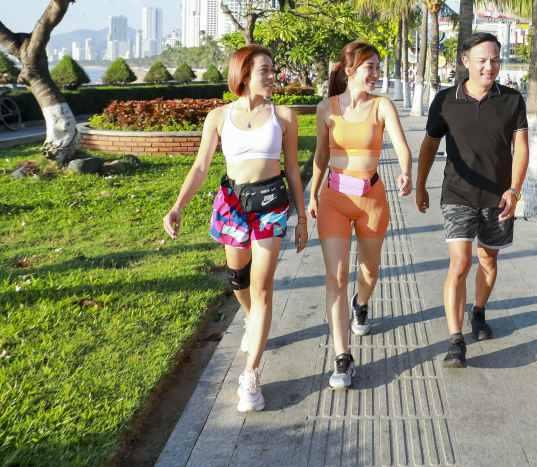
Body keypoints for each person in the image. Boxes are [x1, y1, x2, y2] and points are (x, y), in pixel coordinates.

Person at [163, 45, 307, 413]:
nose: (274, 76)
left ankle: (251, 375)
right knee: (238, 280)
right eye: (266, 70)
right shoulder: (218, 117)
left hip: (271, 205)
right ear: (243, 74)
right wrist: (178, 206)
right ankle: (252, 321)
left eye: (274, 70)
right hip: (232, 204)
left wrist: (303, 216)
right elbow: (200, 166)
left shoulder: (284, 116)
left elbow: (292, 170)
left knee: (261, 287)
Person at [416, 32, 528, 368]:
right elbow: (429, 145)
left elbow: (520, 148)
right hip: (457, 193)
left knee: (489, 261)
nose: (489, 66)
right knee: (461, 263)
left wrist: (514, 189)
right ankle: (455, 340)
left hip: (498, 197)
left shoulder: (512, 100)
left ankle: (477, 312)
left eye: (495, 59)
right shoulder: (446, 100)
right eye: (482, 60)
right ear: (465, 61)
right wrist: (421, 185)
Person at [309, 41, 414, 389]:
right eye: (370, 66)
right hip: (334, 200)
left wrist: (405, 171)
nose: (376, 73)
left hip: (372, 198)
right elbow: (321, 156)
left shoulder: (382, 106)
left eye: (378, 66)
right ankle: (342, 357)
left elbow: (401, 144)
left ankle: (362, 303)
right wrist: (312, 192)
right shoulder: (327, 108)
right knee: (336, 276)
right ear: (350, 69)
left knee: (369, 270)